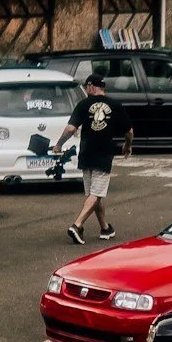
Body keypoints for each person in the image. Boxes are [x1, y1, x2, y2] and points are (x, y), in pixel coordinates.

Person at [54, 71, 132, 245]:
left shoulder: (83, 104)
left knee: (94, 194)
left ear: (90, 87)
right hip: (103, 153)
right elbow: (129, 131)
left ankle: (105, 228)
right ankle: (77, 225)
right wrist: (127, 145)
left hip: (87, 153)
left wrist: (59, 144)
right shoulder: (115, 105)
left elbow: (70, 129)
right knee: (96, 194)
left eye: (86, 86)